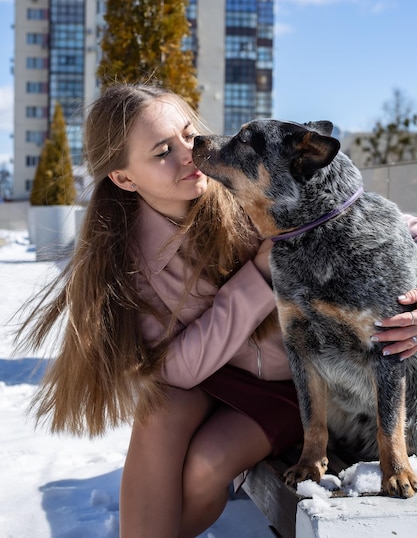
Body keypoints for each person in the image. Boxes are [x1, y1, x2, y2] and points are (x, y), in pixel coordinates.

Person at [15, 83, 417, 538]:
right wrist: (260, 275)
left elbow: (374, 225)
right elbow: (176, 369)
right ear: (125, 178)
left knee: (207, 464)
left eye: (188, 135)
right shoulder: (127, 258)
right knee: (157, 413)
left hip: (302, 382)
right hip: (211, 374)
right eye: (163, 151)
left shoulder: (246, 184)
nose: (189, 154)